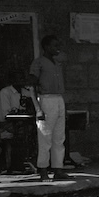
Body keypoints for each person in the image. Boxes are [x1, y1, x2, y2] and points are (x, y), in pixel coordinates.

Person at [28, 35, 71, 181]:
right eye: (54, 46)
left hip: (58, 99)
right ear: (46, 47)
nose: (57, 48)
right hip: (46, 100)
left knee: (59, 137)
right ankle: (43, 169)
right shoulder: (38, 63)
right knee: (45, 137)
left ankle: (58, 168)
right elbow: (31, 86)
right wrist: (38, 109)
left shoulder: (58, 62)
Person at [0, 70, 32, 173]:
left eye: (22, 78)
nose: (21, 81)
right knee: (18, 134)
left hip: (22, 123)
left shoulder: (26, 92)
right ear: (12, 80)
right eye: (18, 78)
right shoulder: (5, 93)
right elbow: (5, 115)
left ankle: (23, 163)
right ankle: (15, 165)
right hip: (7, 124)